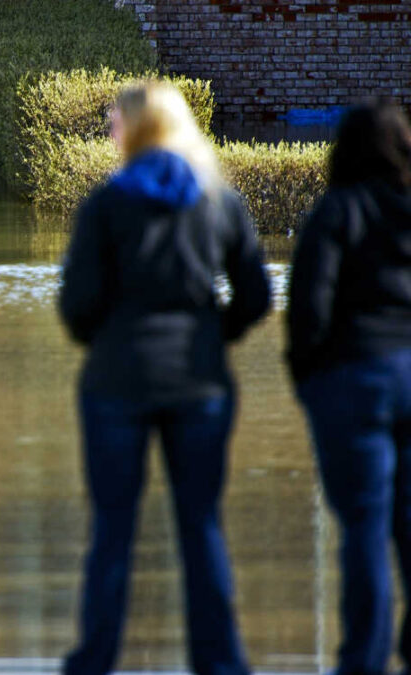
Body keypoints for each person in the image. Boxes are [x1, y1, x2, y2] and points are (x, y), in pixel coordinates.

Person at [58, 81, 270, 675]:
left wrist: (105, 339)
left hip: (116, 381)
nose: (109, 132)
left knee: (112, 533)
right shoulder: (218, 199)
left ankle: (92, 663)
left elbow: (76, 304)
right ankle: (222, 664)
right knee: (201, 526)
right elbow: (255, 295)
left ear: (139, 130)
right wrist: (211, 332)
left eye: (114, 123)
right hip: (199, 382)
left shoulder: (106, 203)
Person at [287, 102, 411, 675]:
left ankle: (362, 660)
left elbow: (309, 310)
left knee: (363, 527)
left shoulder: (336, 212)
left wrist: (309, 380)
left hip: (355, 377)